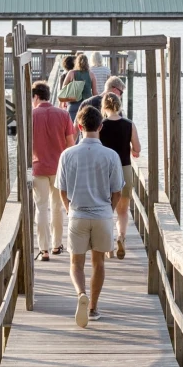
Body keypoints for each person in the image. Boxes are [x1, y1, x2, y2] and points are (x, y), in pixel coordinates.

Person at [55, 103, 123, 327]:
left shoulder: (67, 155)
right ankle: (93, 307)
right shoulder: (111, 155)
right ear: (100, 126)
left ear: (78, 125)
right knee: (99, 263)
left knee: (76, 263)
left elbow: (62, 190)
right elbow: (117, 191)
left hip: (78, 214)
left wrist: (68, 209)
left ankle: (80, 294)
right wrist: (108, 211)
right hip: (102, 214)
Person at [30, 80, 74, 260]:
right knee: (57, 207)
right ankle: (57, 245)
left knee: (41, 208)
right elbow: (71, 144)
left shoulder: (31, 115)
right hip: (59, 168)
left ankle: (44, 249)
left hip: (38, 167)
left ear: (36, 97)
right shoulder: (63, 115)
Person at [99, 91, 141, 260]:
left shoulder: (100, 125)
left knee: (107, 210)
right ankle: (121, 237)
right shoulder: (129, 124)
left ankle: (108, 247)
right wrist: (130, 149)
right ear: (119, 105)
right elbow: (137, 149)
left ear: (104, 107)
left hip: (105, 171)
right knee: (123, 211)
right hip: (124, 169)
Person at [61, 53, 95, 122]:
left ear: (76, 62)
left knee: (72, 129)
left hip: (73, 104)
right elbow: (95, 92)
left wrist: (63, 101)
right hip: (87, 105)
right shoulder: (91, 74)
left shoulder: (71, 73)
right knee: (85, 127)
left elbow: (63, 88)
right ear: (87, 63)